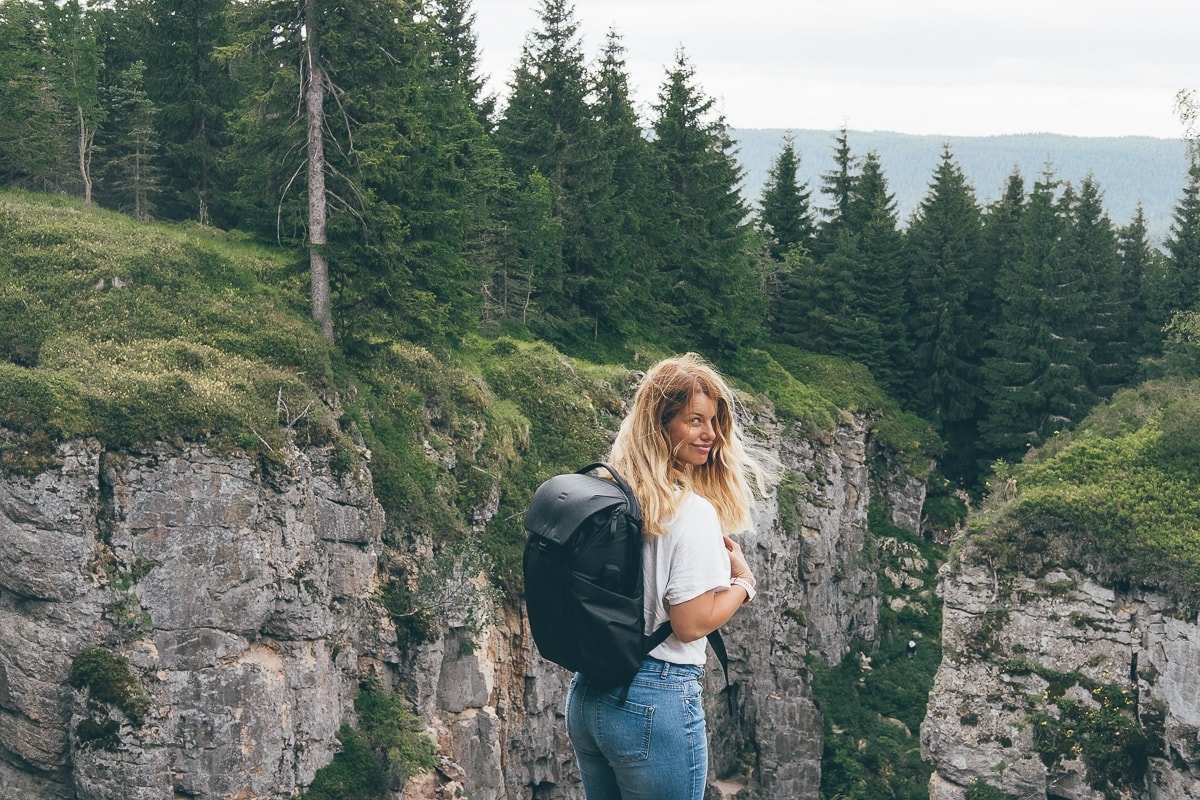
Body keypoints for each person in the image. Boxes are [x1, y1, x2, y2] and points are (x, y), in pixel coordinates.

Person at [565, 353, 771, 800]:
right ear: (661, 424)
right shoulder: (690, 511)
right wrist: (744, 585)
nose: (711, 435)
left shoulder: (611, 491)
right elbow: (690, 622)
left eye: (713, 422)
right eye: (695, 420)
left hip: (589, 695)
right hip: (653, 699)